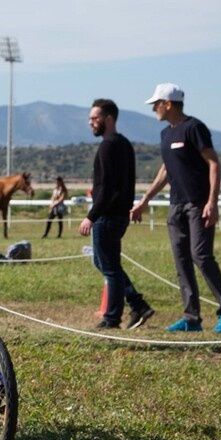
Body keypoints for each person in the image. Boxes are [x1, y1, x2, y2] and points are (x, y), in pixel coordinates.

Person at [130, 83, 221, 334]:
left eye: (156, 104)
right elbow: (166, 170)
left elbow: (213, 163)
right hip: (176, 205)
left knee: (201, 256)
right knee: (182, 261)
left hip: (198, 204)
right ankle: (192, 318)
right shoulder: (165, 134)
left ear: (168, 104)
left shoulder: (194, 128)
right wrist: (145, 200)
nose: (153, 109)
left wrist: (212, 202)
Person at [78, 99, 155, 330]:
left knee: (109, 267)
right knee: (103, 262)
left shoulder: (108, 146)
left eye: (95, 118)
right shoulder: (124, 144)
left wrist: (91, 216)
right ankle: (137, 303)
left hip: (108, 216)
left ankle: (112, 318)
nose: (91, 122)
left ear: (108, 118)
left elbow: (107, 187)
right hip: (119, 214)